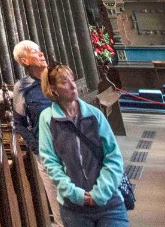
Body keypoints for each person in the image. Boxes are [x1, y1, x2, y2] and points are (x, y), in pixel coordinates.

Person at [37, 64, 127, 227]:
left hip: (108, 202)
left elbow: (113, 156)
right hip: (74, 208)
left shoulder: (94, 114)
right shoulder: (47, 119)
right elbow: (51, 162)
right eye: (65, 82)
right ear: (53, 89)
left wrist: (100, 193)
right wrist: (75, 194)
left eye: (72, 79)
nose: (73, 85)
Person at [12, 40, 59, 212]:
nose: (41, 54)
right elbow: (19, 123)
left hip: (73, 151)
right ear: (24, 61)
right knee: (60, 209)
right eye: (34, 51)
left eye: (40, 50)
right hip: (48, 154)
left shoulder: (58, 79)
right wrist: (38, 149)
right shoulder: (22, 87)